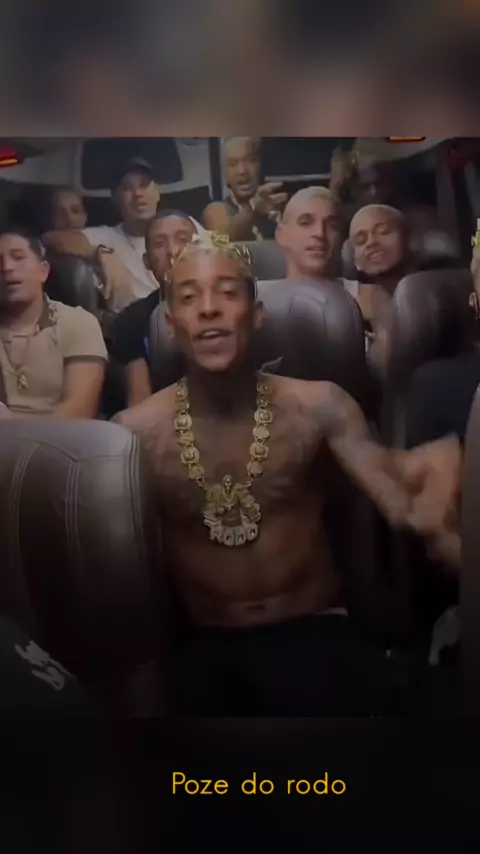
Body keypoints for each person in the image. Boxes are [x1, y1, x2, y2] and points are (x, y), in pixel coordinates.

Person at [114, 233, 458, 716]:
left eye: (228, 293)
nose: (209, 309)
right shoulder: (133, 433)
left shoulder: (320, 406)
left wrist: (439, 484)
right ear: (171, 325)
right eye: (189, 298)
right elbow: (117, 582)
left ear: (256, 315)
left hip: (315, 631)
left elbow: (400, 500)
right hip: (203, 646)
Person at [0, 228, 107, 418]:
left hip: (59, 434)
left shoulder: (78, 323)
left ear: (43, 271)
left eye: (18, 257)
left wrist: (19, 430)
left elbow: (79, 410)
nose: (7, 267)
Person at [42, 158, 162, 308]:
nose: (137, 193)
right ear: (116, 199)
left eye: (144, 185)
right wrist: (101, 253)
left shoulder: (183, 227)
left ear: (157, 192)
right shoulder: (105, 236)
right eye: (126, 188)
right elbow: (50, 238)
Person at [112, 210, 198, 406]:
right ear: (147, 262)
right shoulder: (132, 320)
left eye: (183, 239)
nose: (173, 251)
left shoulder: (230, 303)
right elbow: (139, 400)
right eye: (159, 244)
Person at [203, 137, 288, 242]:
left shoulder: (282, 204)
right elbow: (222, 239)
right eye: (233, 164)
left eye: (250, 161)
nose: (242, 171)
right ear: (225, 174)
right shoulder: (216, 210)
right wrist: (252, 208)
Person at [275, 186, 351, 286]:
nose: (320, 233)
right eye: (305, 223)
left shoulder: (360, 293)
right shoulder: (260, 294)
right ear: (281, 235)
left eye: (332, 226)